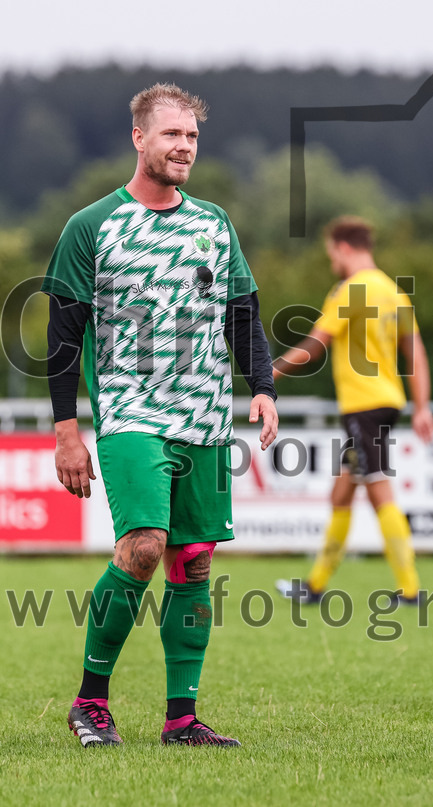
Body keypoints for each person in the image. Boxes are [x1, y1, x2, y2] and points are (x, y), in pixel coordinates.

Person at [43, 83, 279, 748]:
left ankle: (181, 718)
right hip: (130, 414)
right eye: (172, 134)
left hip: (205, 418)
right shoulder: (91, 226)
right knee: (145, 545)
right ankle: (90, 701)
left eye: (193, 137)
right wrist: (66, 431)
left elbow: (243, 313)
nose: (184, 147)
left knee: (194, 560)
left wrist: (262, 386)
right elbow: (62, 336)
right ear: (139, 138)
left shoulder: (214, 224)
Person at [273, 216, 433, 606]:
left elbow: (316, 345)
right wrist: (422, 407)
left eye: (332, 253)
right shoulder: (393, 291)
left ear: (344, 248)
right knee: (342, 493)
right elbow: (415, 351)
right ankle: (314, 586)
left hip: (364, 406)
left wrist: (269, 371)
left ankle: (411, 590)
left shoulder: (350, 289)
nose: (332, 262)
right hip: (386, 402)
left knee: (380, 492)